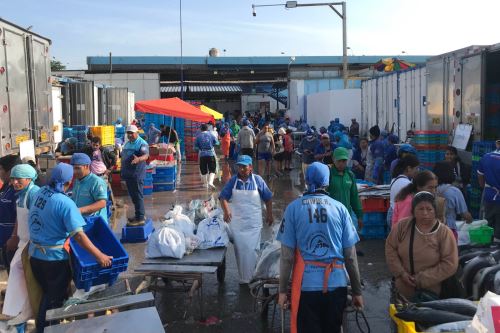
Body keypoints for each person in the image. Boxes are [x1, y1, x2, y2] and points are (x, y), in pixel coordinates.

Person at [277, 162, 363, 333]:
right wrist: (357, 291)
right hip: (336, 285)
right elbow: (350, 256)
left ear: (306, 181)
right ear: (327, 182)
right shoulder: (340, 209)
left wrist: (281, 291)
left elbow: (287, 257)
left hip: (306, 288)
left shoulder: (293, 209)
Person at [28, 163, 113, 332]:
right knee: (53, 300)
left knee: (47, 293)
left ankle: (48, 327)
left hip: (35, 255)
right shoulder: (65, 203)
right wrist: (100, 255)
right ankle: (45, 329)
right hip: (54, 260)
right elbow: (79, 236)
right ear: (69, 181)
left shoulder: (39, 192)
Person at [385, 191, 458, 300]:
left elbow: (450, 263)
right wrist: (401, 273)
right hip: (402, 288)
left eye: (429, 209)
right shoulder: (402, 227)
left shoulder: (444, 232)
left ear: (435, 211)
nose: (425, 213)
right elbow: (390, 248)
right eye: (420, 209)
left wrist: (421, 279)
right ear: (413, 211)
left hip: (431, 292)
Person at [219, 155, 273, 284]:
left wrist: (269, 214)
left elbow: (268, 197)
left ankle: (253, 276)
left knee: (252, 250)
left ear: (250, 167)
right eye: (240, 166)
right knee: (241, 251)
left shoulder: (258, 180)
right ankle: (244, 278)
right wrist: (226, 211)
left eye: (244, 166)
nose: (242, 169)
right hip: (238, 225)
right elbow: (223, 197)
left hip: (253, 223)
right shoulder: (233, 181)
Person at [2, 164, 39, 328]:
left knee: (26, 279)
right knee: (17, 274)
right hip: (22, 242)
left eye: (19, 179)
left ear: (29, 179)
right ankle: (17, 314)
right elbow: (19, 217)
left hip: (32, 244)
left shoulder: (34, 194)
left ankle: (25, 312)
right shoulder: (21, 194)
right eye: (13, 179)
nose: (14, 182)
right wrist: (14, 235)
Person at [433, 161, 473, 239]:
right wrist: (470, 220)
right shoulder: (454, 191)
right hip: (449, 229)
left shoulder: (431, 188)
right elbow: (465, 214)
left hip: (433, 227)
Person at [328, 148, 364, 231]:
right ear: (333, 159)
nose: (341, 164)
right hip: (331, 216)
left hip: (346, 215)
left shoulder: (350, 175)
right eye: (339, 160)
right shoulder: (328, 175)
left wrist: (359, 216)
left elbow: (354, 196)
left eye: (344, 161)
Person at [121, 125, 149, 226]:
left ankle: (140, 218)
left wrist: (138, 159)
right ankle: (138, 214)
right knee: (133, 196)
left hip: (136, 174)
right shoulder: (127, 143)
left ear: (137, 133)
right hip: (128, 174)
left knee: (138, 196)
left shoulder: (142, 143)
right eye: (128, 133)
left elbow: (146, 155)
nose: (130, 135)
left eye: (132, 133)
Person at [70, 153, 109, 223]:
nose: (74, 172)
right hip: (81, 221)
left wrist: (80, 210)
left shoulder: (96, 182)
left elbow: (102, 203)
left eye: (77, 168)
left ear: (87, 166)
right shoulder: (77, 181)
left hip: (94, 223)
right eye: (73, 168)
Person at [0, 155, 21, 270]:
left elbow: (20, 215)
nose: (0, 172)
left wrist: (14, 237)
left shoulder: (16, 190)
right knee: (9, 267)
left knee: (15, 270)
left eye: (1, 169)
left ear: (10, 171)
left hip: (12, 240)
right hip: (4, 238)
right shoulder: (6, 187)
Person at [388, 155, 420, 227]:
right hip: (399, 215)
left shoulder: (395, 179)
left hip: (392, 212)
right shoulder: (407, 183)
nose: (418, 171)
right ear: (409, 168)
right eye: (416, 168)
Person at [477, 139, 500, 240]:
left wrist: (486, 189)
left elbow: (480, 177)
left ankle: (485, 249)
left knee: (487, 224)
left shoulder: (486, 157)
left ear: (497, 144)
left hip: (489, 196)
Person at [194, 123, 219, 189]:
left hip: (202, 154)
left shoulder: (198, 136)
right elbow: (217, 143)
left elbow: (195, 148)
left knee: (203, 170)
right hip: (211, 154)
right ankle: (210, 182)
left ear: (201, 129)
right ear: (207, 129)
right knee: (212, 169)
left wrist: (200, 148)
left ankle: (205, 184)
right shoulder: (211, 135)